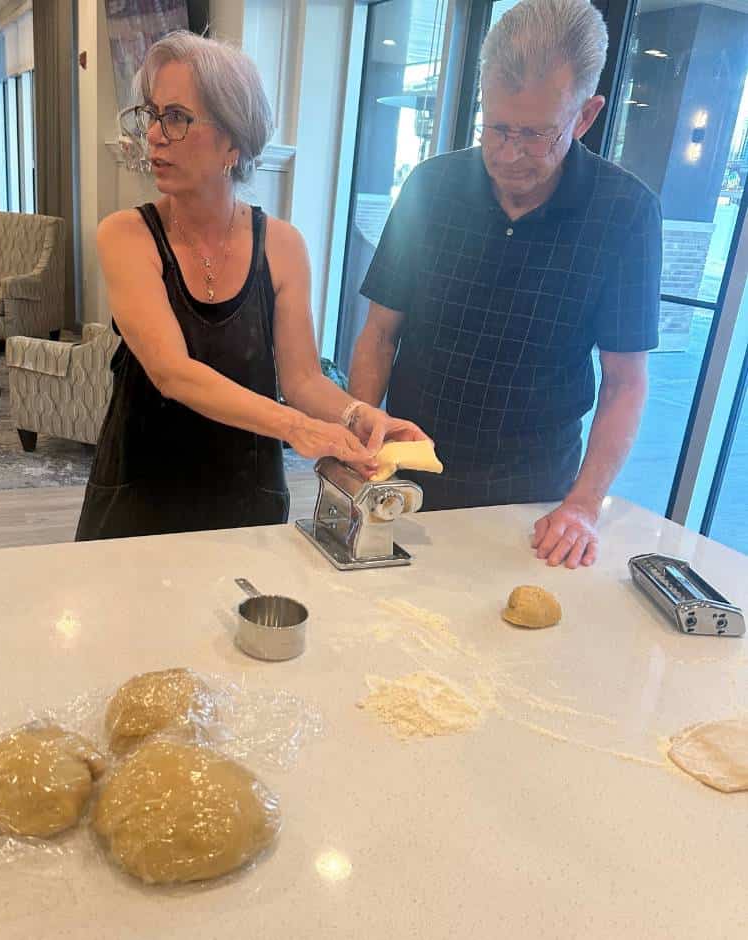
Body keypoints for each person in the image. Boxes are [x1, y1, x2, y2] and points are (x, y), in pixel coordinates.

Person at [77, 31, 427, 541]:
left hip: (245, 493)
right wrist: (295, 427)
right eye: (151, 114)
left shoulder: (282, 246)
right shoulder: (126, 236)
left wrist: (359, 414)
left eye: (176, 117)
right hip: (141, 490)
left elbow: (303, 379)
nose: (153, 134)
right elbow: (174, 374)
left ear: (233, 141)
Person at [349, 0, 661, 569]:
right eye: (497, 128)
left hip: (536, 494)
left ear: (585, 116)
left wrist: (584, 505)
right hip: (409, 462)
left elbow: (624, 383)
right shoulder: (430, 188)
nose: (509, 153)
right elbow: (378, 336)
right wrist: (359, 440)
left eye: (537, 134)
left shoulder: (626, 212)